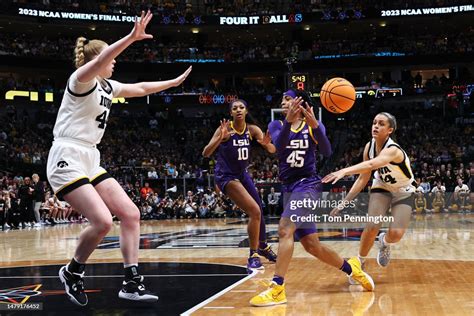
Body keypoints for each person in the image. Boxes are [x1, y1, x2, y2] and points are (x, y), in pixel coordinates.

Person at [46, 10, 192, 306]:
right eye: (111, 57)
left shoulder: (107, 87)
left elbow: (139, 89)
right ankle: (72, 272)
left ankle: (131, 281)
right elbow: (100, 61)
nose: (115, 62)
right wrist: (131, 37)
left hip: (89, 157)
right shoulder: (80, 80)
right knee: (101, 221)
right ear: (98, 58)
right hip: (67, 156)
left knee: (130, 213)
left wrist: (172, 84)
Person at [250, 90, 374, 307]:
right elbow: (278, 149)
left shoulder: (312, 125)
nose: (283, 103)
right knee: (312, 246)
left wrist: (316, 126)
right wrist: (288, 123)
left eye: (288, 99)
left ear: (301, 104)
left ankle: (277, 288)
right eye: (282, 100)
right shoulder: (277, 126)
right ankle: (352, 269)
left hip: (309, 185)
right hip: (289, 188)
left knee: (284, 229)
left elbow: (326, 151)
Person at [323, 112, 416, 278]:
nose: (375, 126)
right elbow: (363, 177)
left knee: (396, 234)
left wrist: (344, 171)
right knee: (372, 224)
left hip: (403, 189)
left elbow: (373, 164)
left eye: (381, 124)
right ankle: (359, 262)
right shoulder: (369, 147)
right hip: (382, 185)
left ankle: (385, 242)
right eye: (374, 122)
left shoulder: (393, 150)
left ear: (390, 130)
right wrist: (344, 203)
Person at [203, 99, 277, 270]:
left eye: (241, 107)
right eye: (234, 108)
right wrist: (219, 139)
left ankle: (263, 246)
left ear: (245, 111)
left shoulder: (252, 130)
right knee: (254, 211)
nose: (238, 110)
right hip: (226, 176)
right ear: (231, 113)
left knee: (259, 209)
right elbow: (206, 153)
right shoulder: (225, 129)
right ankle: (253, 255)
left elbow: (273, 150)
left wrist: (267, 145)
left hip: (242, 175)